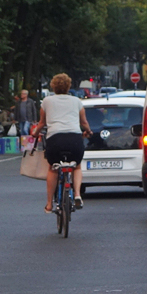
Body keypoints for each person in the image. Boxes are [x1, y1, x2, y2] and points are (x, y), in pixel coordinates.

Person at [33, 73, 91, 212]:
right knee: (76, 166)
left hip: (55, 139)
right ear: (68, 86)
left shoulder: (47, 101)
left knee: (53, 168)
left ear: (53, 86)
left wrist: (35, 133)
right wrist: (88, 131)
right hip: (74, 139)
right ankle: (77, 194)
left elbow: (42, 123)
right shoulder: (76, 101)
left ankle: (49, 204)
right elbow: (83, 122)